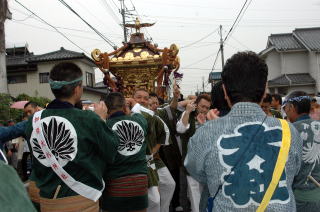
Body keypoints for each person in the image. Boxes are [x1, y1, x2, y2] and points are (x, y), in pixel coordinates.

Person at [185, 51, 302, 211]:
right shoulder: (290, 132)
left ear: (225, 91)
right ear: (265, 89)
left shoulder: (205, 133)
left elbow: (197, 172)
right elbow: (294, 172)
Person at [25, 62, 119, 211]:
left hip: (46, 198)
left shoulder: (33, 120)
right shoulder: (88, 119)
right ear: (77, 89)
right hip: (80, 198)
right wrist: (101, 120)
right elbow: (111, 151)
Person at [100, 92, 148, 212]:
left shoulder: (105, 126)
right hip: (140, 182)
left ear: (107, 108)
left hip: (115, 184)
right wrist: (131, 106)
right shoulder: (140, 121)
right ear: (125, 107)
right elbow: (139, 114)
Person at [127, 88, 170, 212]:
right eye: (139, 97)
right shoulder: (125, 114)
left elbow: (165, 132)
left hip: (148, 160)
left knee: (156, 198)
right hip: (129, 164)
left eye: (146, 98)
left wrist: (152, 151)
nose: (142, 101)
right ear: (132, 98)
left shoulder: (151, 115)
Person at [283, 91, 320, 211]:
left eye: (285, 108)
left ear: (291, 107)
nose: (285, 112)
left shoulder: (289, 131)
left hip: (300, 198)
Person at [176, 93, 214, 212]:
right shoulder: (188, 114)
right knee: (194, 193)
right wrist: (187, 112)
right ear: (196, 105)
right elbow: (180, 129)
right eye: (202, 106)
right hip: (191, 161)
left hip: (207, 162)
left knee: (206, 193)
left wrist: (205, 124)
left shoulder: (210, 117)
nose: (204, 110)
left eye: (207, 107)